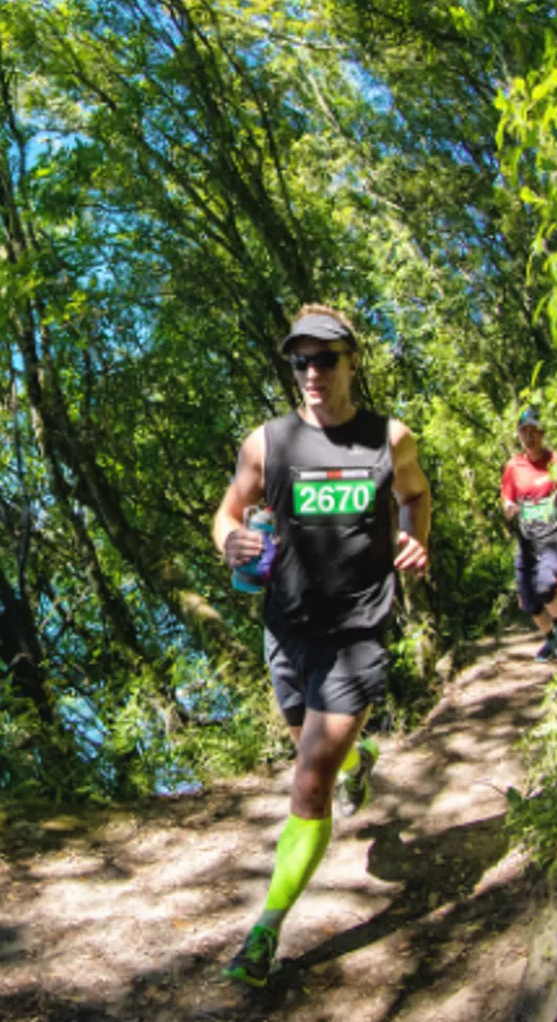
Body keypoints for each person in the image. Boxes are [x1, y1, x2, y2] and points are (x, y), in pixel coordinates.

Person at [211, 304, 432, 988]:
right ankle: (361, 758)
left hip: (357, 634)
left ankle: (265, 932)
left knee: (308, 782)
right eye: (300, 360)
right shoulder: (266, 443)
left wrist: (416, 536)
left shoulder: (389, 439)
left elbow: (416, 495)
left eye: (325, 358)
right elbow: (227, 513)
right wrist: (230, 541)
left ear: (351, 361)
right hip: (286, 631)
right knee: (314, 754)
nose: (312, 371)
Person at [501, 406, 557, 661]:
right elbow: (507, 498)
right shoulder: (513, 467)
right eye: (524, 432)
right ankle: (552, 638)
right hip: (526, 542)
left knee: (545, 586)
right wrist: (508, 508)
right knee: (529, 602)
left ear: (542, 433)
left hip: (552, 537)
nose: (529, 437)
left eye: (534, 431)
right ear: (518, 435)